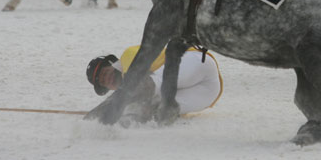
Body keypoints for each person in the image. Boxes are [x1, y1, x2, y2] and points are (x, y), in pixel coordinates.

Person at [86, 45, 223, 124]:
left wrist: (94, 115)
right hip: (210, 91)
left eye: (104, 73)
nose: (107, 79)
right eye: (103, 82)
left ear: (112, 64)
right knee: (157, 112)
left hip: (196, 61)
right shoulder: (131, 98)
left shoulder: (127, 56)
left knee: (149, 85)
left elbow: (138, 86)